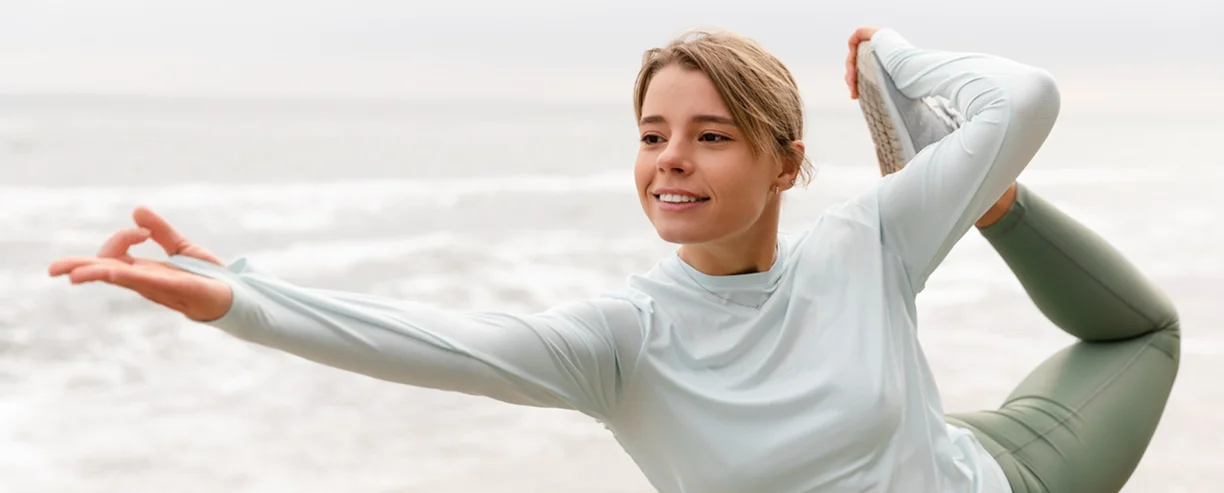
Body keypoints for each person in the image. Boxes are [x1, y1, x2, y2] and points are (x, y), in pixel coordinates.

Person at [47, 26, 1179, 493]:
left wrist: (896, 53)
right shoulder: (619, 344)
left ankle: (990, 198)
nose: (669, 163)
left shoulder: (859, 239)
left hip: (997, 477)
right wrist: (236, 295)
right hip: (914, 431)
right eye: (650, 136)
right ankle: (976, 188)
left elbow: (1025, 94)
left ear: (787, 165)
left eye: (709, 135)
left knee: (1143, 335)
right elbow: (420, 339)